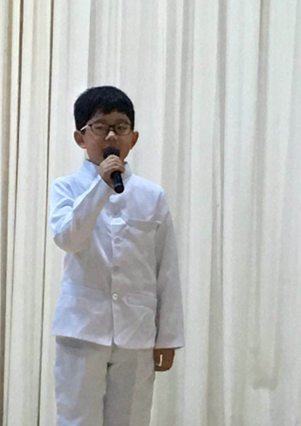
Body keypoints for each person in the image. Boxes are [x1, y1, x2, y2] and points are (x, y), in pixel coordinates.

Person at [48, 85, 185, 425]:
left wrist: (167, 336)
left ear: (133, 138)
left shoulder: (152, 195)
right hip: (82, 330)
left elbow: (166, 268)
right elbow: (68, 239)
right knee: (77, 420)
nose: (111, 135)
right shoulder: (66, 188)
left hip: (137, 333)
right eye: (100, 126)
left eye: (121, 127)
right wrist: (101, 185)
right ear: (81, 137)